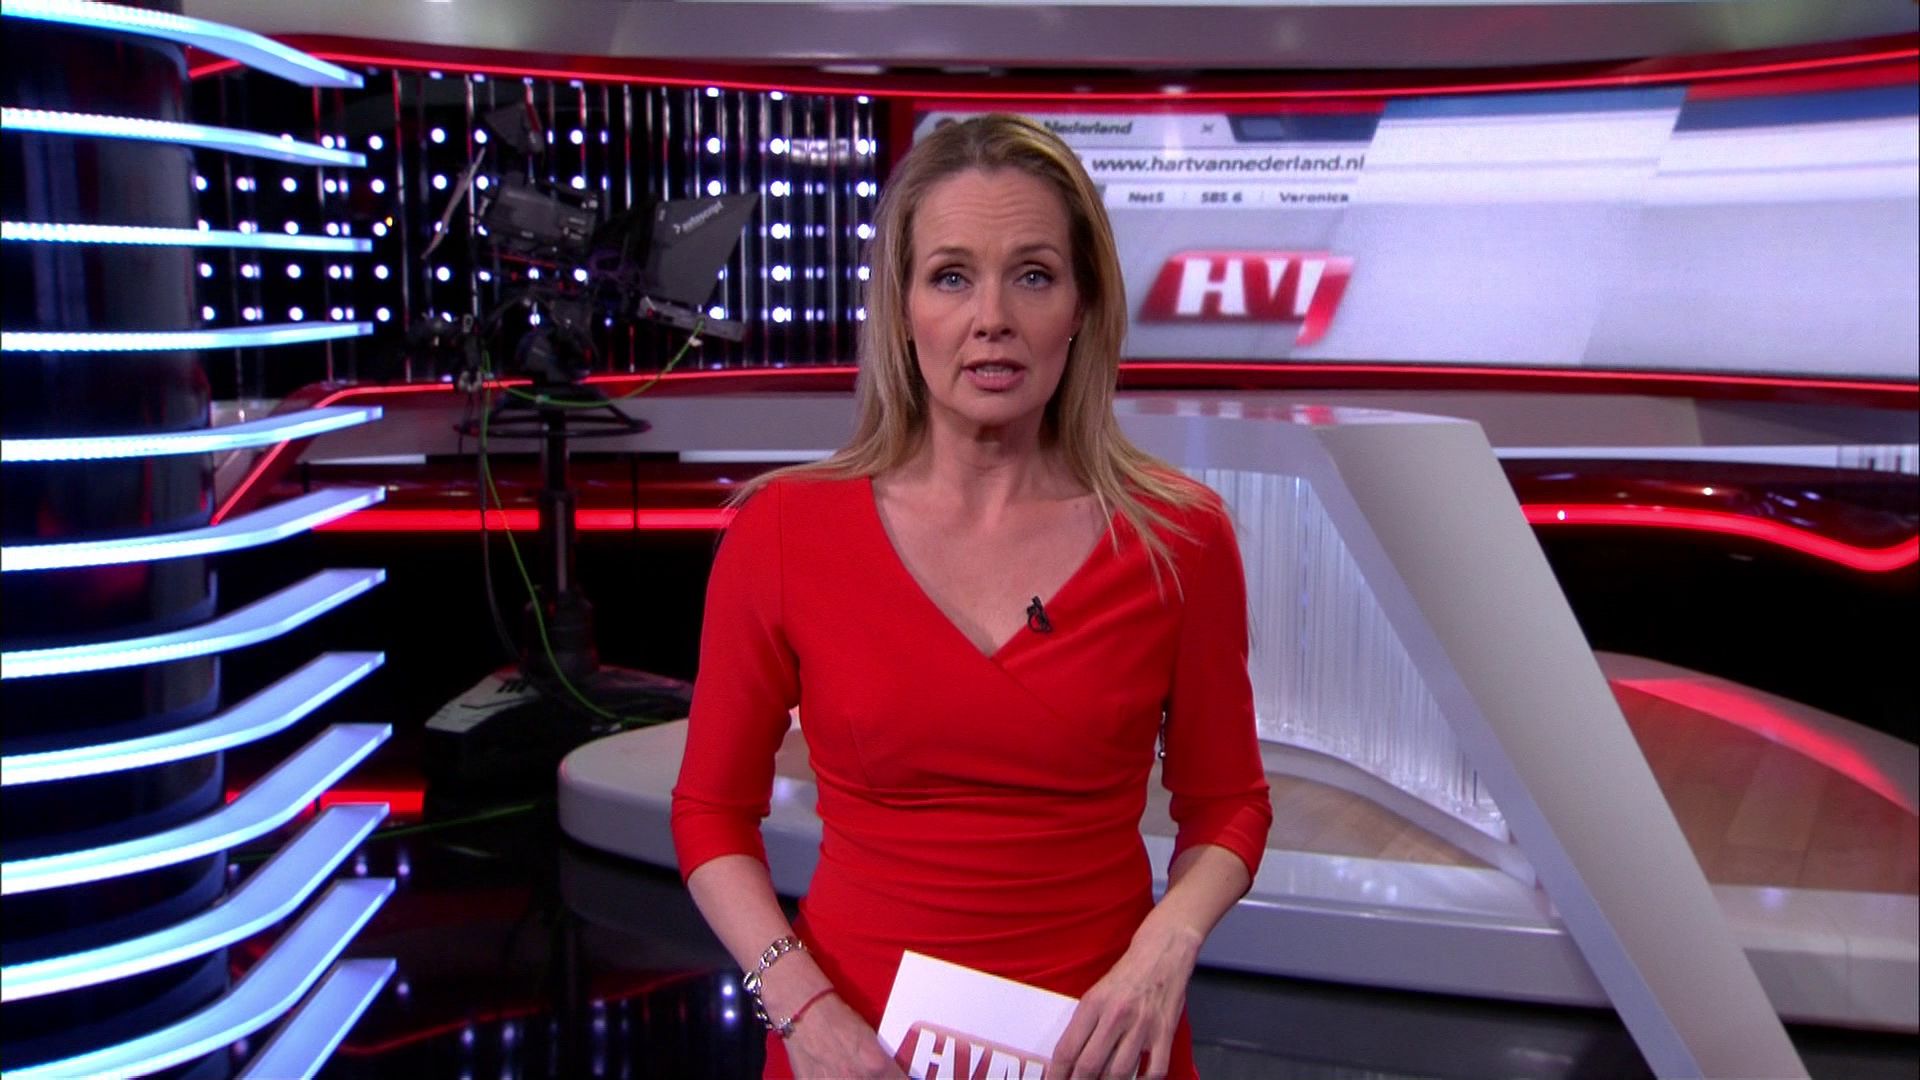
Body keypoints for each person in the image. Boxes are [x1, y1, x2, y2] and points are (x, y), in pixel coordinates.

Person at [671, 113, 1271, 1079]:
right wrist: (800, 1009)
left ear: (1082, 305)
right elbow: (708, 812)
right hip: (851, 1046)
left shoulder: (1179, 539)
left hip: (1098, 1048)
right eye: (952, 276)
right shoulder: (782, 531)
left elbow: (1230, 803)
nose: (992, 317)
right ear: (903, 307)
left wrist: (1165, 950)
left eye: (1032, 275)